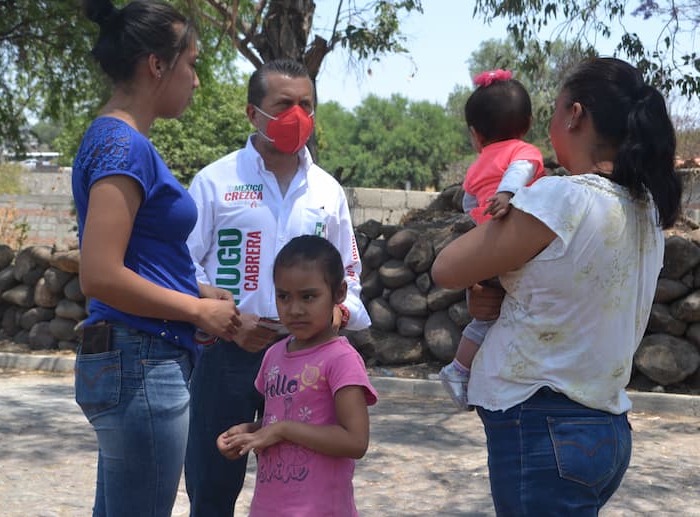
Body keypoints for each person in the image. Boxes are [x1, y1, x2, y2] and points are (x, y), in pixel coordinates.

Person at [431, 57, 682, 515]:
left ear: (576, 114)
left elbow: (448, 268)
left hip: (543, 426)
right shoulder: (645, 210)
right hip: (604, 427)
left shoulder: (562, 197)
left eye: (555, 110)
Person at [71, 0, 241, 516]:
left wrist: (195, 288)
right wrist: (196, 310)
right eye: (191, 65)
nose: (195, 79)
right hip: (142, 360)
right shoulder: (124, 147)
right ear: (156, 65)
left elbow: (132, 257)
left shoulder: (116, 141)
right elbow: (99, 274)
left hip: (132, 356)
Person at [184, 59, 371, 516]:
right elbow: (179, 269)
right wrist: (229, 323)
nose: (297, 114)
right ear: (253, 113)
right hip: (227, 355)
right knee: (212, 485)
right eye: (283, 104)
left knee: (301, 481)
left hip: (309, 363)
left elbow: (349, 279)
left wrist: (336, 316)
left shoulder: (327, 191)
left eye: (306, 104)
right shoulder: (215, 182)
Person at [217, 235, 378, 516]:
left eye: (308, 296)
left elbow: (355, 441)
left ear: (339, 293)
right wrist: (249, 433)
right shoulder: (274, 355)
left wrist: (282, 430)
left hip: (319, 508)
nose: (295, 309)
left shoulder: (341, 359)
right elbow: (276, 420)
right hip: (269, 506)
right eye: (283, 296)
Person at [438, 69, 546, 410]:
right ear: (528, 123)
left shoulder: (477, 165)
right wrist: (507, 194)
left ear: (475, 134)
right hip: (515, 247)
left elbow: (469, 201)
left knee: (486, 317)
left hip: (487, 248)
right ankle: (461, 369)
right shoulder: (526, 151)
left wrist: (480, 221)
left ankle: (460, 367)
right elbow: (521, 171)